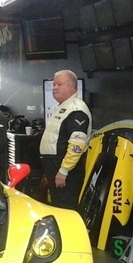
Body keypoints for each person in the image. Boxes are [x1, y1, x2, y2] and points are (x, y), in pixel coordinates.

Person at [39, 70, 92, 210]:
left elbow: (77, 144)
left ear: (72, 87)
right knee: (58, 205)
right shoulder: (64, 107)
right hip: (55, 166)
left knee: (66, 207)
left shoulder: (76, 110)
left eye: (59, 84)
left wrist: (64, 170)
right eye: (54, 84)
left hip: (65, 170)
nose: (55, 87)